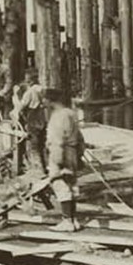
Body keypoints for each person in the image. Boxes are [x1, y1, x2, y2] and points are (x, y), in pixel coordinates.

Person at [43, 89, 84, 233]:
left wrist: (58, 162)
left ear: (50, 101)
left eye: (45, 100)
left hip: (62, 153)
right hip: (72, 151)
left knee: (60, 184)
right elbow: (80, 136)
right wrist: (79, 154)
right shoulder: (71, 113)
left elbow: (58, 141)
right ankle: (74, 219)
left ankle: (67, 221)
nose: (43, 102)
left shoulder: (57, 117)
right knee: (72, 186)